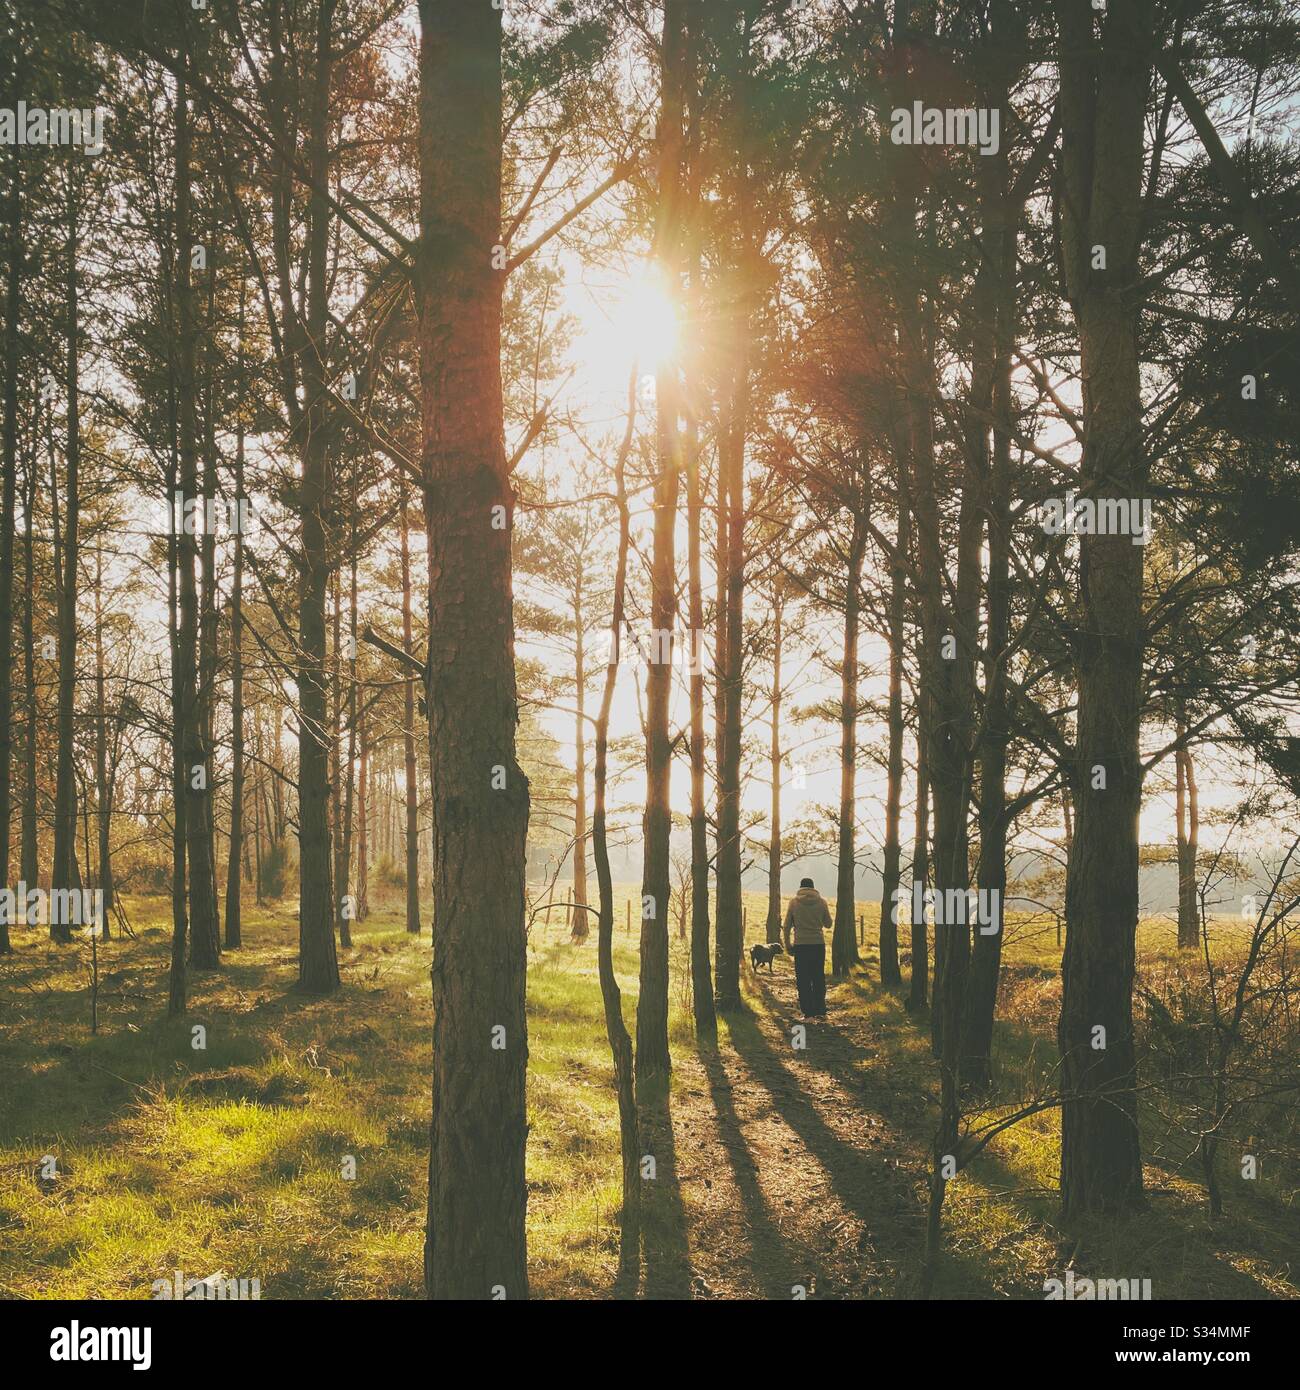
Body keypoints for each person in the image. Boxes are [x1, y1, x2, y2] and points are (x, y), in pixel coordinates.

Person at [782, 877, 830, 1019]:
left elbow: (786, 926)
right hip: (818, 944)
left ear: (800, 888)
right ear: (813, 888)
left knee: (803, 978)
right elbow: (828, 924)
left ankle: (808, 1012)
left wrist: (787, 944)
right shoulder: (822, 902)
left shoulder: (794, 903)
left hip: (801, 945)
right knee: (818, 977)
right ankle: (820, 1009)